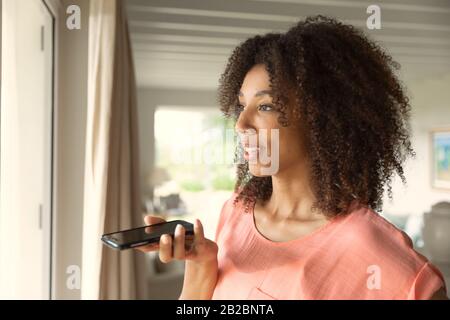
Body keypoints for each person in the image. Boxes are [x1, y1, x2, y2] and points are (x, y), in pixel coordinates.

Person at [137, 16, 448, 300]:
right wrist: (202, 266)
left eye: (266, 106)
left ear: (322, 120)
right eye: (242, 105)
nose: (241, 124)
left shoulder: (383, 260)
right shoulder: (236, 211)